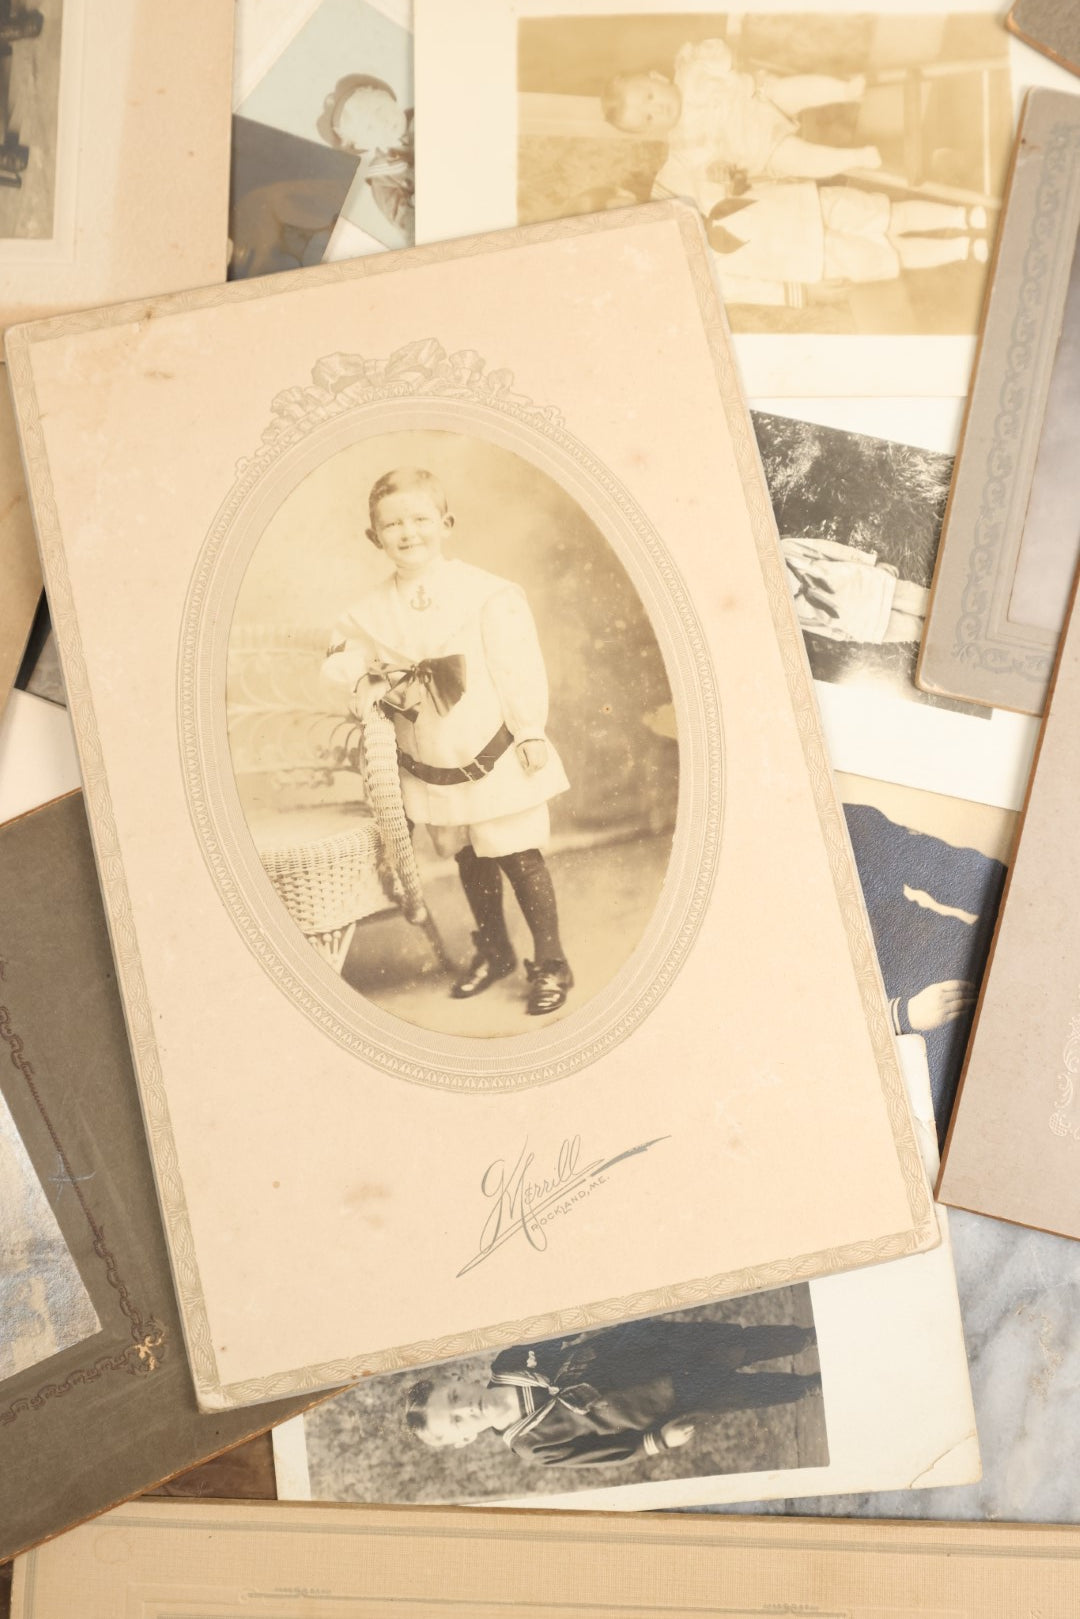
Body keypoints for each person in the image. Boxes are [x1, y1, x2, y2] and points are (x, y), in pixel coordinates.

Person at [322, 467, 574, 1016]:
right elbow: (340, 660)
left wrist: (530, 728)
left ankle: (551, 961)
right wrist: (367, 671)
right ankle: (496, 949)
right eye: (392, 525)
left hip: (492, 745)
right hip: (431, 755)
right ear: (375, 538)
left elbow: (517, 663)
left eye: (419, 519)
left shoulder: (484, 592)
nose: (408, 533)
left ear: (446, 523)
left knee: (516, 852)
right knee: (467, 853)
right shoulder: (370, 610)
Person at [404, 1317, 822, 1467]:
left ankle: (805, 1336)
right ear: (463, 1440)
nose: (466, 1410)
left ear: (457, 1381)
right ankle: (809, 1386)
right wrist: (657, 1441)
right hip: (664, 1402)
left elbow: (567, 1327)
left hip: (653, 1350)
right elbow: (603, 1453)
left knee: (738, 1343)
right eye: (456, 1421)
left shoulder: (510, 1363)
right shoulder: (531, 1445)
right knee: (740, 1392)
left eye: (454, 1399)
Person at [843, 803, 1006, 1137]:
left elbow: (946, 865)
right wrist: (901, 1015)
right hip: (884, 1026)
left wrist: (1022, 900)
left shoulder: (848, 818)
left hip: (928, 941)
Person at [602, 39, 880, 183]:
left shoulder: (689, 71)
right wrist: (717, 169)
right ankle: (855, 158)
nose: (657, 108)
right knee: (799, 160)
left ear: (658, 78)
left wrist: (710, 52)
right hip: (760, 147)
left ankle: (845, 91)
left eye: (650, 96)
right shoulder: (682, 145)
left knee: (793, 90)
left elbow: (721, 57)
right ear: (651, 130)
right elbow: (706, 168)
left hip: (759, 98)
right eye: (648, 117)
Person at [682, 178, 989, 307]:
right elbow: (758, 291)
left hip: (809, 204)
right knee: (893, 255)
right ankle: (962, 249)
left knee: (890, 216)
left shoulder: (694, 193)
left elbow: (730, 172)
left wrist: (731, 176)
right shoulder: (709, 277)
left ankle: (960, 217)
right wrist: (806, 291)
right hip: (814, 260)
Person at [781, 534, 929, 644]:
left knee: (927, 602)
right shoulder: (780, 611)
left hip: (871, 585)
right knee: (921, 633)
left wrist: (871, 562)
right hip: (868, 623)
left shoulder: (783, 550)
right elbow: (820, 627)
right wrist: (849, 635)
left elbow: (831, 550)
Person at [322, 74, 414, 239]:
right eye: (370, 128)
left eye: (379, 109)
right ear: (363, 146)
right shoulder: (382, 178)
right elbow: (409, 226)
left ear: (388, 96)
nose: (382, 121)